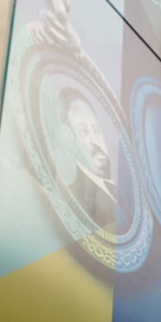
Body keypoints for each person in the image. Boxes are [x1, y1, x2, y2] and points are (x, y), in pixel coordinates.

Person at [59, 88, 118, 229]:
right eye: (84, 132)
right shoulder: (76, 199)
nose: (95, 141)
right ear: (71, 139)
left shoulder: (126, 194)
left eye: (97, 130)